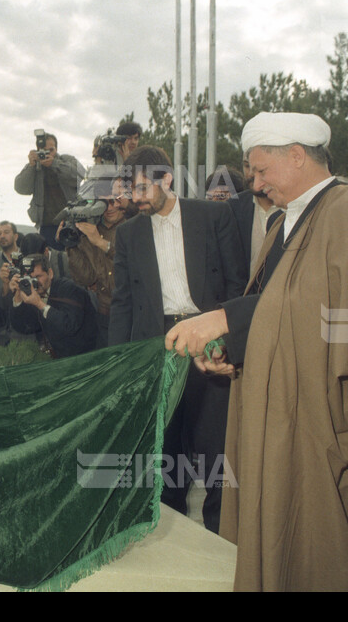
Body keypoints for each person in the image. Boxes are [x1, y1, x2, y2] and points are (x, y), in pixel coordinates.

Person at [166, 112, 348, 591]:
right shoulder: (286, 222)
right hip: (283, 416)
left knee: (323, 554)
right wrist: (235, 351)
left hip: (330, 423)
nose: (255, 185)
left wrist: (227, 319)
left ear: (297, 156)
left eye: (260, 172)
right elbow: (282, 311)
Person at [109, 145, 246, 532]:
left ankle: (222, 546)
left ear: (165, 179)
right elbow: (123, 305)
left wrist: (226, 343)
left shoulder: (214, 216)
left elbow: (238, 285)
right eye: (130, 190)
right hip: (160, 351)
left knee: (216, 455)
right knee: (165, 455)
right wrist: (120, 367)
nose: (135, 199)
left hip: (210, 346)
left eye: (141, 189)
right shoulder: (129, 235)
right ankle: (173, 544)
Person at [65, 176, 132, 349]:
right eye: (103, 203)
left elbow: (134, 264)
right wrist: (72, 245)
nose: (109, 208)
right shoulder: (90, 230)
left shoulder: (133, 227)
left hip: (131, 313)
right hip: (104, 314)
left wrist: (101, 243)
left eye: (114, 201)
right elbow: (86, 278)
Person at [9, 254, 97, 358]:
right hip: (60, 359)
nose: (34, 283)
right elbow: (25, 327)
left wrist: (40, 304)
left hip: (88, 355)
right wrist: (17, 297)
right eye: (30, 278)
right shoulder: (34, 293)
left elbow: (70, 325)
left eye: (38, 277)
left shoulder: (70, 289)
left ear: (50, 273)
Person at [14, 131, 86, 250]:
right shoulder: (35, 167)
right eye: (43, 150)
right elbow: (20, 188)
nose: (47, 154)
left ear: (56, 149)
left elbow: (80, 175)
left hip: (72, 223)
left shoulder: (67, 160)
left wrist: (54, 164)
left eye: (50, 150)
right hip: (47, 226)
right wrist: (30, 166)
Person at [226, 160, 282, 281]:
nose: (252, 173)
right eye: (247, 166)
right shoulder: (232, 208)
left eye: (260, 169)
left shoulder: (292, 206)